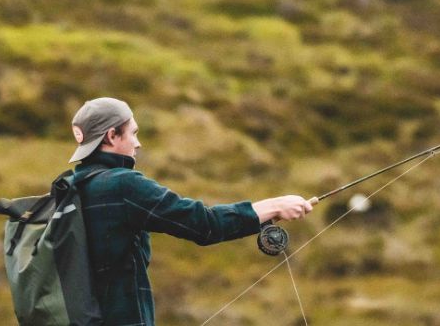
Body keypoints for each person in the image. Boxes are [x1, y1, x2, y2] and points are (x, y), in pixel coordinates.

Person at [69, 97, 313, 326]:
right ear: (112, 136)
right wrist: (275, 206)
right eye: (133, 133)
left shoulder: (69, 188)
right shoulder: (123, 185)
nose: (138, 142)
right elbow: (204, 225)